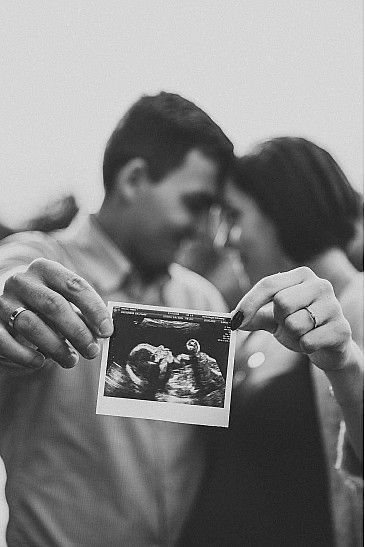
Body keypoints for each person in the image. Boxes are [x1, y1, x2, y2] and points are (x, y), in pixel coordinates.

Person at [0, 92, 233, 546]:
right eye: (195, 203)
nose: (205, 231)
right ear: (133, 179)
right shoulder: (39, 266)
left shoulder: (201, 299)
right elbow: (8, 279)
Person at [207, 137, 362, 546]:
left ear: (282, 211)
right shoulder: (266, 327)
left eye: (234, 216)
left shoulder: (358, 305)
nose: (224, 239)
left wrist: (346, 363)